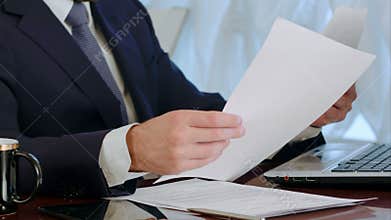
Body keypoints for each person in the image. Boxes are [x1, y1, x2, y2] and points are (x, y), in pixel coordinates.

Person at [0, 0, 357, 197]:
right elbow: (7, 165)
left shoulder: (121, 9)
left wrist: (300, 114)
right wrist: (130, 150)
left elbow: (195, 109)